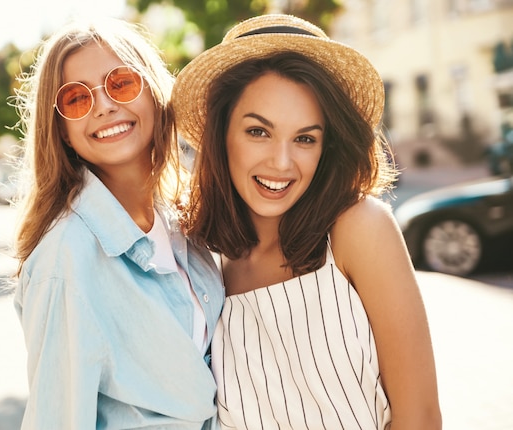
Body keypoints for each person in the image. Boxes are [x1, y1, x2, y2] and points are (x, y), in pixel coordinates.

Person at [172, 14, 441, 430]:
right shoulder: (205, 265)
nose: (282, 163)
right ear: (221, 134)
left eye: (304, 138)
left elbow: (419, 418)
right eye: (258, 132)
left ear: (325, 147)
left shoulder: (358, 230)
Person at [10, 17, 223, 429]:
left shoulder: (182, 225)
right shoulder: (65, 259)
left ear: (154, 94)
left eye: (120, 83)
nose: (105, 106)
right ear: (63, 131)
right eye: (76, 99)